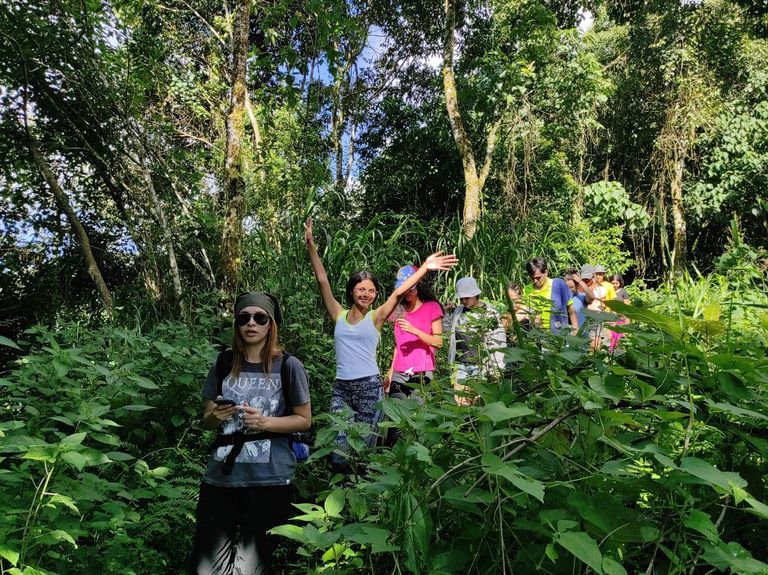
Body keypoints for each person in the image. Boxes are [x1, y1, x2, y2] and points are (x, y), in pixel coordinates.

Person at [304, 218, 457, 468]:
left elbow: (397, 294)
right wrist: (311, 244)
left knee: (363, 449)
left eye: (372, 291)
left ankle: (364, 498)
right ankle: (342, 491)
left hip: (368, 386)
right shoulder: (338, 315)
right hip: (341, 388)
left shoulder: (376, 317)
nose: (366, 294)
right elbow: (322, 281)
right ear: (352, 290)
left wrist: (425, 268)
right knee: (338, 451)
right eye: (361, 289)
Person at [189, 292, 311, 575]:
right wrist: (214, 416)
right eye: (244, 318)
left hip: (270, 480)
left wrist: (265, 423)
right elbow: (207, 419)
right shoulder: (223, 363)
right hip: (220, 478)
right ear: (236, 324)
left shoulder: (288, 365)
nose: (251, 324)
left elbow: (304, 420)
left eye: (260, 318)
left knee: (251, 568)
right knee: (206, 568)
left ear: (271, 325)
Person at [384, 265, 445, 398]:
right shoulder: (398, 311)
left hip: (421, 371)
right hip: (399, 372)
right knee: (397, 414)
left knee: (419, 415)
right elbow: (398, 347)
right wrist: (390, 372)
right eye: (404, 289)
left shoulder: (432, 308)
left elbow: (439, 342)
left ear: (419, 285)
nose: (407, 292)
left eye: (411, 288)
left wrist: (414, 330)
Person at [446, 277, 507, 406]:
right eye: (461, 298)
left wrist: (497, 368)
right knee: (461, 405)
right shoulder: (458, 311)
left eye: (466, 298)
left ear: (476, 295)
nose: (463, 301)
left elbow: (499, 341)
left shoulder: (490, 313)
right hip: (461, 365)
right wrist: (446, 313)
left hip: (482, 366)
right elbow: (448, 331)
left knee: (480, 404)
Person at [523, 257, 578, 335]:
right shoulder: (527, 290)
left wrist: (575, 330)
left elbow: (571, 309)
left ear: (546, 272)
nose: (535, 281)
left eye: (538, 278)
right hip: (536, 336)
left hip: (558, 334)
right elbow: (525, 313)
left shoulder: (559, 285)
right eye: (532, 278)